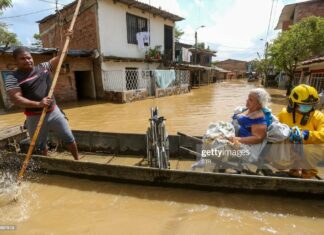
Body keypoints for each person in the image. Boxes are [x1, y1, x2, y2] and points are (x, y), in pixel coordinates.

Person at [4, 31, 80, 160]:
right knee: (39, 145)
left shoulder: (43, 67)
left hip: (53, 111)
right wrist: (38, 104)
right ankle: (47, 163)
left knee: (68, 137)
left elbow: (61, 57)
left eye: (29, 57)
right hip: (33, 116)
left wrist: (67, 40)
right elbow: (16, 99)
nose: (27, 60)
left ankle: (77, 160)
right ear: (16, 61)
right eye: (23, 58)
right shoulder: (13, 78)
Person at [277, 84, 324, 178]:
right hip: (290, 146)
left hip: (311, 148)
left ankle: (307, 174)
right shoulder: (283, 114)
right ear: (292, 103)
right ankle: (294, 169)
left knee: (306, 151)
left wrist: (306, 135)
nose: (307, 108)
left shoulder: (318, 116)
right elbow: (274, 127)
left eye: (310, 105)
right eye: (302, 105)